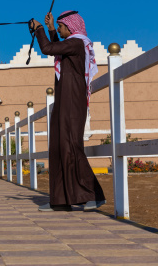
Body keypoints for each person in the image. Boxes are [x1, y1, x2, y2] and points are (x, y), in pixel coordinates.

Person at [30, 11, 106, 211]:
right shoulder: (72, 44)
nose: (60, 30)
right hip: (64, 101)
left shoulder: (77, 43)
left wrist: (39, 30)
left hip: (72, 102)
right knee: (58, 147)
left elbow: (48, 48)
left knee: (72, 146)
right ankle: (60, 200)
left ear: (70, 27)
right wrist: (51, 29)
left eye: (62, 27)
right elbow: (57, 49)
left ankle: (94, 195)